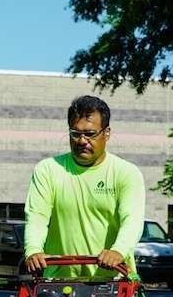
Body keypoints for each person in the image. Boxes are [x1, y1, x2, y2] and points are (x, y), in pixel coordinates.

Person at [23, 95, 145, 278]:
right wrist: (33, 249)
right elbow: (37, 217)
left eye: (90, 134)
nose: (81, 141)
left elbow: (132, 220)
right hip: (58, 281)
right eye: (75, 133)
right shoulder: (48, 170)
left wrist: (118, 251)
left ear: (107, 133)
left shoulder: (126, 173)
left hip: (112, 281)